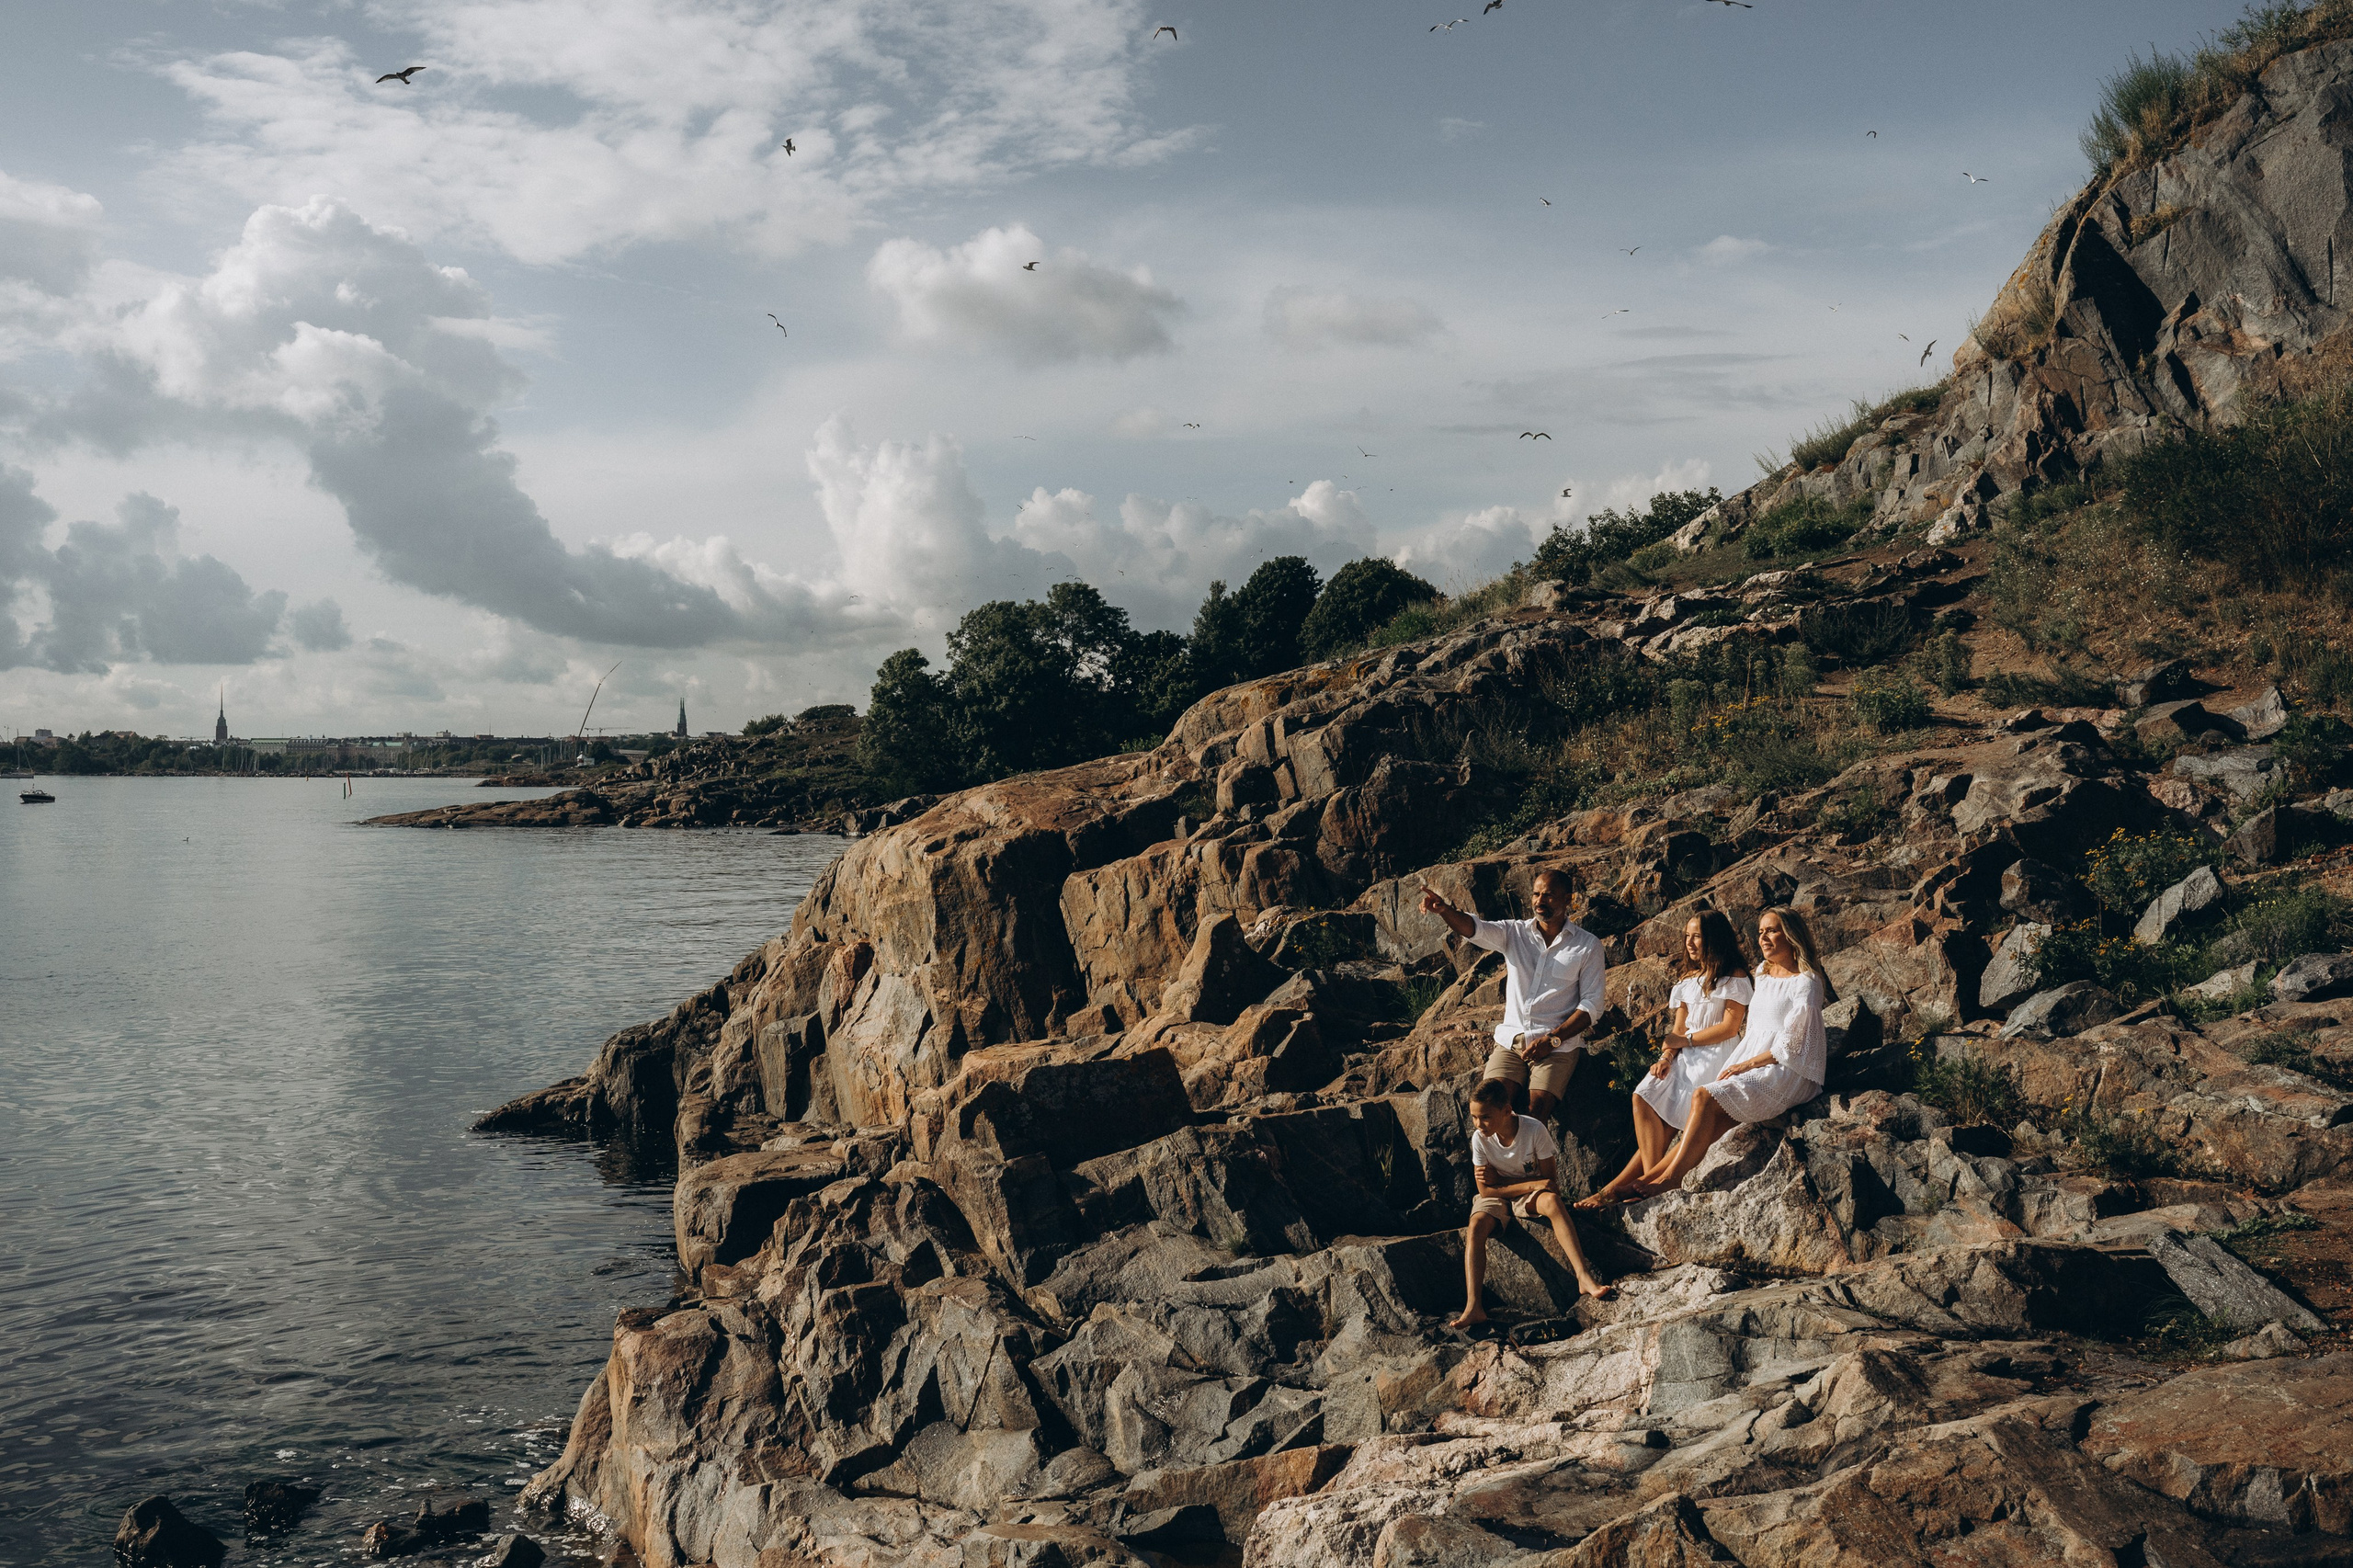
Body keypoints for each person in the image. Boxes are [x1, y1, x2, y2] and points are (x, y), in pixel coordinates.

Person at [1631, 907, 1834, 1196]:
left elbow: (1793, 1045)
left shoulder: (1806, 982)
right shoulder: (1763, 973)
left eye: (1772, 931)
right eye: (1761, 932)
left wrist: (1746, 1064)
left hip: (1787, 1071)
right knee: (1709, 1114)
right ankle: (1652, 1179)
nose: (1764, 938)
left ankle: (1671, 1180)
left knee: (1703, 1096)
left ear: (1791, 935)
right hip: (1755, 1061)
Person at [1579, 910, 1751, 1208]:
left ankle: (1619, 1190)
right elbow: (1678, 1030)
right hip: (1684, 1054)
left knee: (1669, 1122)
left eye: (1697, 936)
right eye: (1687, 936)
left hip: (1716, 1055)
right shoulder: (1687, 980)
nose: (1690, 943)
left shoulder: (1734, 976)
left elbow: (1729, 1027)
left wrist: (1686, 1042)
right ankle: (1645, 1182)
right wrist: (1667, 1057)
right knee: (1643, 1095)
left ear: (1714, 938)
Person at [1416, 868, 1605, 1124]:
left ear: (1568, 899)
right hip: (1511, 1042)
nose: (1540, 901)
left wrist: (1552, 1040)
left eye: (1548, 895)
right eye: (1536, 894)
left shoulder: (1587, 945)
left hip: (1556, 1046)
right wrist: (1445, 911)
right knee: (1489, 1107)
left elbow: (1592, 1005)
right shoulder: (1514, 933)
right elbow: (1475, 929)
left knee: (1535, 1112)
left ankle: (1531, 1152)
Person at [1453, 1077, 1614, 1327]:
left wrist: (1506, 1181)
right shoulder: (1480, 1138)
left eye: (1485, 1117)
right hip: (1500, 1194)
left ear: (1506, 1110)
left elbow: (1550, 1183)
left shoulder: (1534, 1130)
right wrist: (1529, 1184)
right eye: (1474, 1117)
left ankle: (1583, 1276)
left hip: (1523, 1194)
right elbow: (1486, 1191)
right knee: (1476, 1225)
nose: (1478, 1124)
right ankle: (1474, 1306)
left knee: (1552, 1203)